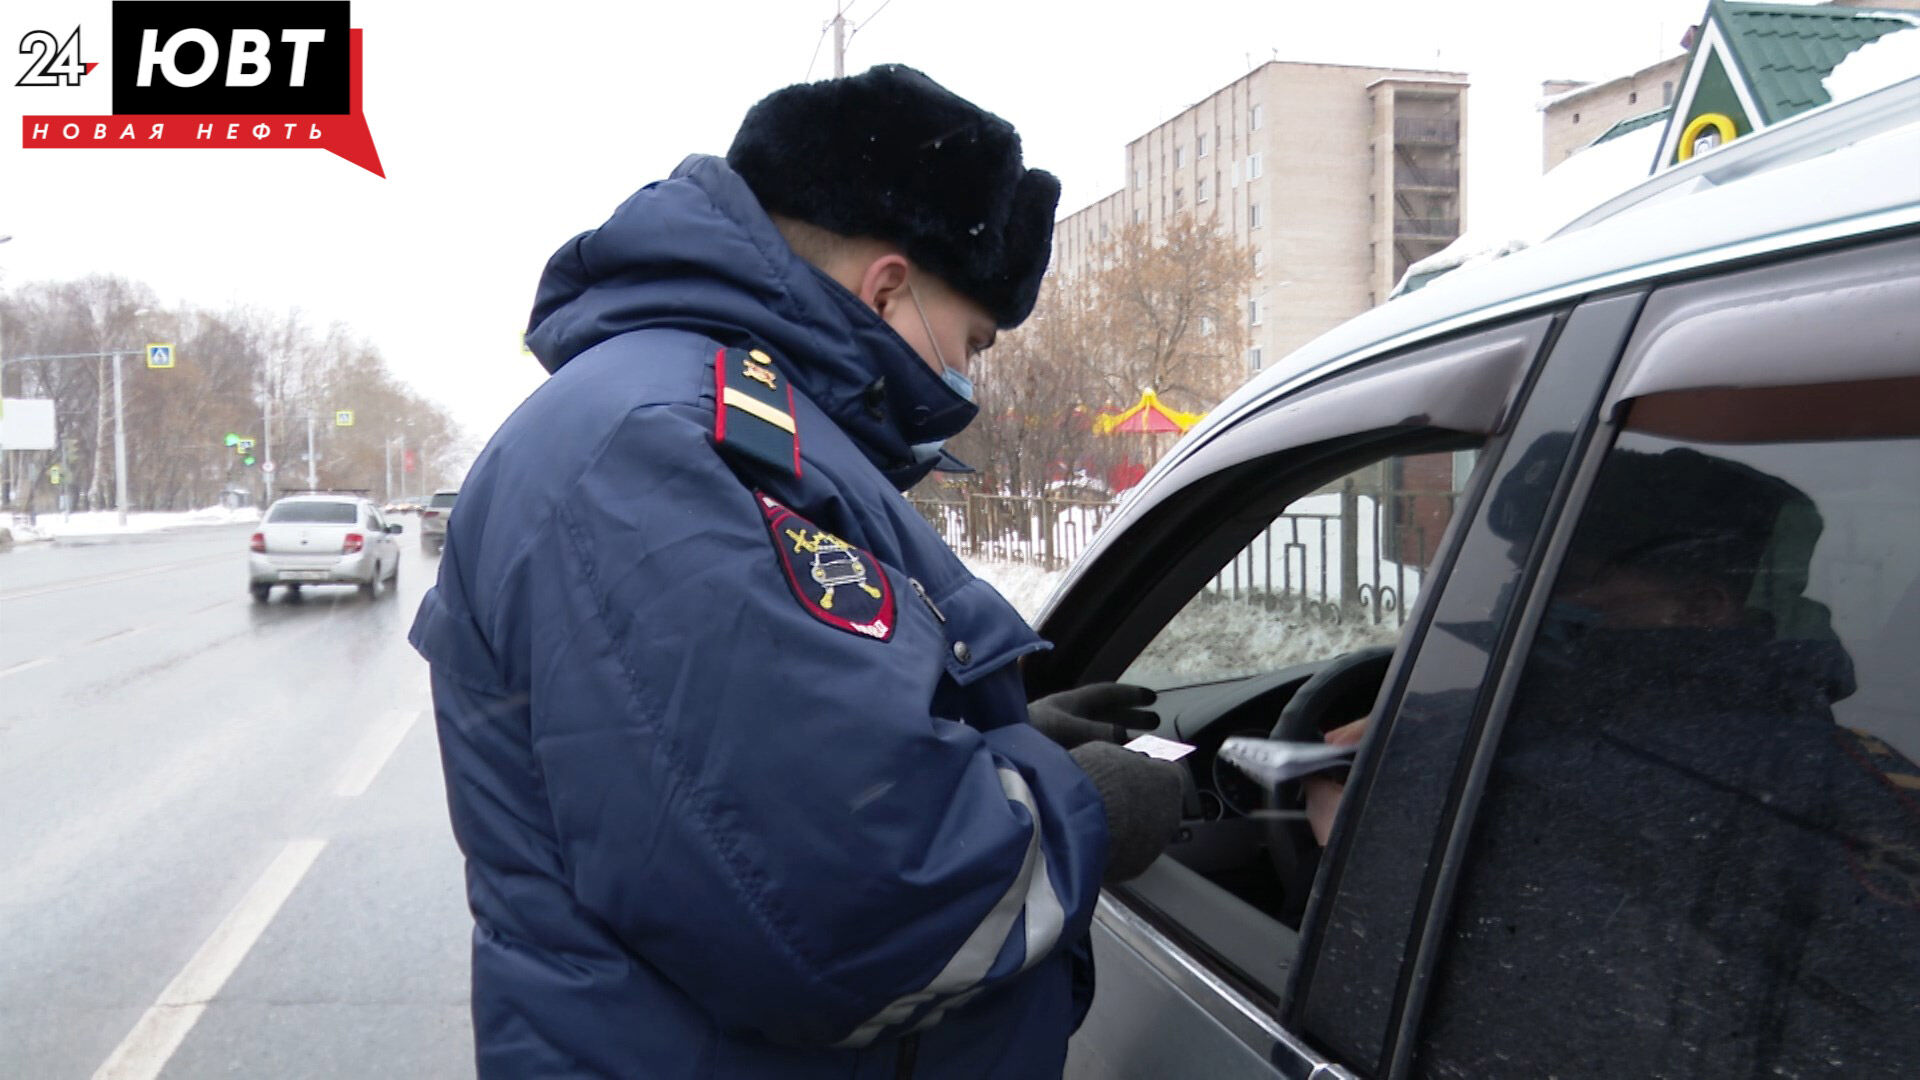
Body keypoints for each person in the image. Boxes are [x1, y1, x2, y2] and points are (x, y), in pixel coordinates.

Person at [409, 65, 1185, 1078]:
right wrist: (1080, 806)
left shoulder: (714, 423)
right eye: (973, 340)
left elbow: (756, 752)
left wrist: (998, 740)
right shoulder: (671, 450)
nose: (969, 378)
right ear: (890, 286)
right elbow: (848, 910)